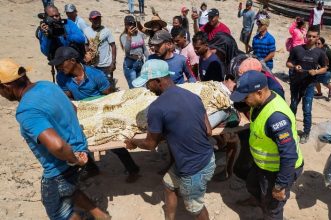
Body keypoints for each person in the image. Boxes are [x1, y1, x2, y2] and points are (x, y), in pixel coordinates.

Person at [0, 58, 110, 220]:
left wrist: (74, 159)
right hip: (80, 151)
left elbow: (58, 146)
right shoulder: (47, 85)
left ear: (6, 86)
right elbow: (72, 108)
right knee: (68, 190)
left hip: (62, 165)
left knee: (59, 212)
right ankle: (100, 215)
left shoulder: (26, 110)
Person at [126, 59, 216, 220]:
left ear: (158, 81)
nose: (147, 87)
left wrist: (133, 142)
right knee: (169, 184)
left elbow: (150, 144)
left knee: (195, 208)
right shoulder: (193, 96)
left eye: (148, 83)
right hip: (208, 158)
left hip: (193, 168)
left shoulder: (157, 108)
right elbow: (208, 131)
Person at [50, 46, 141, 183]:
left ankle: (133, 169)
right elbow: (67, 96)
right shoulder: (62, 77)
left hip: (101, 110)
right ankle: (91, 168)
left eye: (60, 63)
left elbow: (109, 97)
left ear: (73, 60)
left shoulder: (96, 75)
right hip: (81, 112)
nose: (58, 67)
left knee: (114, 142)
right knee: (80, 143)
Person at [230, 70, 304, 220]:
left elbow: (289, 155)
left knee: (273, 208)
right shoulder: (260, 101)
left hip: (278, 170)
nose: (244, 101)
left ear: (259, 93)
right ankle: (260, 202)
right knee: (252, 185)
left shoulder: (276, 118)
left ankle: (268, 211)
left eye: (246, 97)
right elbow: (242, 106)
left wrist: (280, 185)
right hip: (263, 165)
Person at [286, 26, 328, 144]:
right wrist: (295, 67)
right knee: (293, 106)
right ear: (305, 36)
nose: (310, 38)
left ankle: (306, 132)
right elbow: (288, 63)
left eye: (313, 37)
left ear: (317, 38)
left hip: (309, 85)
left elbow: (325, 68)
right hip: (296, 83)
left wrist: (316, 72)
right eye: (309, 36)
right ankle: (289, 128)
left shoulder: (320, 52)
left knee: (307, 109)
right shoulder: (297, 49)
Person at [84, 11, 117, 88]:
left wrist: (113, 62)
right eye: (95, 19)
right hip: (93, 65)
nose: (97, 21)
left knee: (109, 87)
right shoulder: (86, 31)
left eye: (99, 18)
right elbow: (86, 44)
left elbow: (113, 46)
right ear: (90, 20)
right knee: (96, 86)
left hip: (106, 65)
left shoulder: (106, 31)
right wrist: (87, 56)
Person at [120, 15, 149, 88]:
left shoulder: (139, 34)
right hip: (130, 65)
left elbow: (144, 49)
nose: (132, 25)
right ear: (125, 25)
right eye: (130, 24)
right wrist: (129, 36)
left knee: (143, 88)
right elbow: (127, 51)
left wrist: (148, 60)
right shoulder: (123, 36)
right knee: (134, 89)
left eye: (133, 23)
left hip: (140, 63)